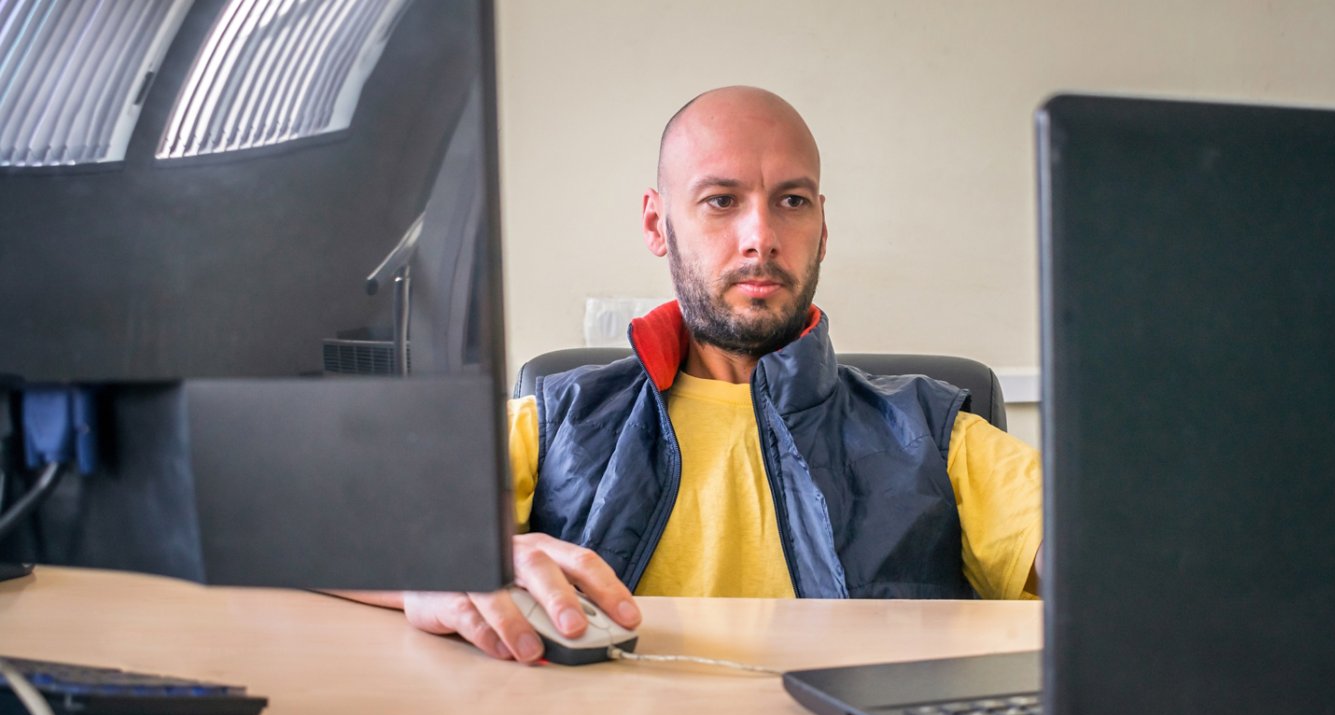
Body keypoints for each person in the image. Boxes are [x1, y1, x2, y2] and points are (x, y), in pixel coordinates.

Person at [350, 86, 1042, 663]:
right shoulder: (556, 419)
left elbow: (1112, 568)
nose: (761, 236)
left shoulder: (940, 433)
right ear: (657, 223)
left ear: (822, 229)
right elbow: (326, 531)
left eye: (793, 202)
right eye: (721, 200)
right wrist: (431, 575)